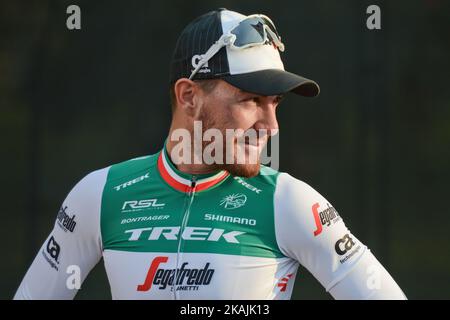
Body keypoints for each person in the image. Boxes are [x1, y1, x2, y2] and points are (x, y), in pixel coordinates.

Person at [14, 8, 406, 300]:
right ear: (189, 96)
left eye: (275, 103)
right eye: (251, 100)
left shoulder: (290, 203)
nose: (271, 127)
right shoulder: (100, 194)